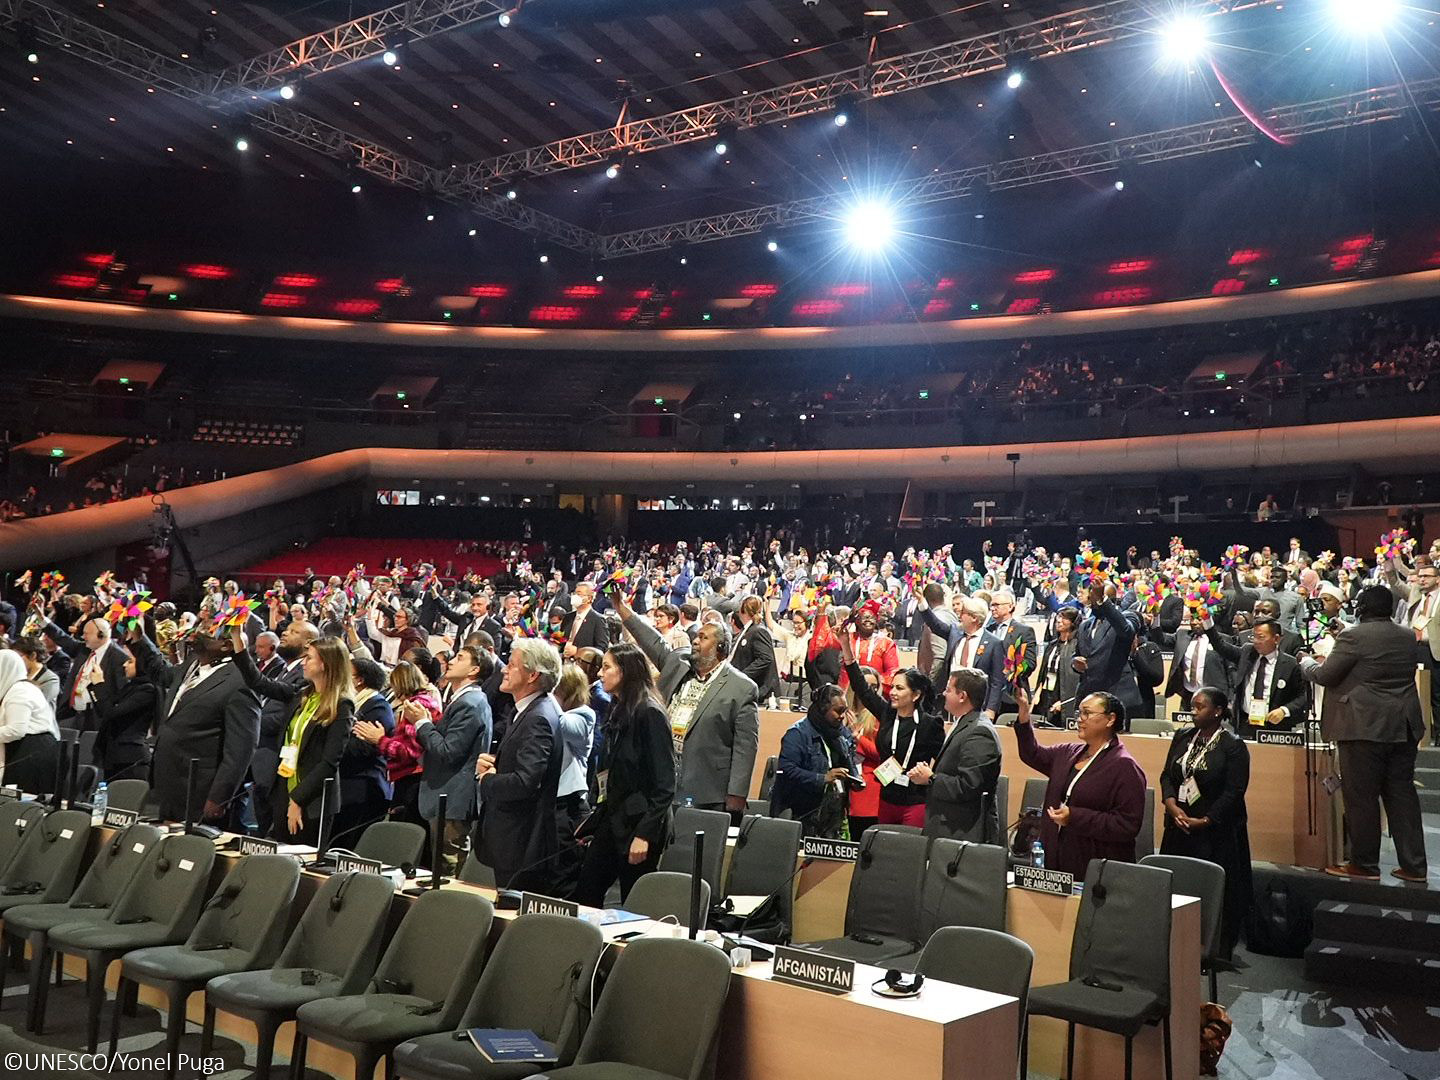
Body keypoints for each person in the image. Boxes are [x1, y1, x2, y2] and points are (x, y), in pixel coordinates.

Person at [1300, 585, 1428, 882]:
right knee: (1402, 795)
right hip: (1403, 726)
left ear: (1360, 608)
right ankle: (1415, 867)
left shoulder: (1353, 637)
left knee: (1362, 798)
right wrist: (1343, 631)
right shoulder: (1407, 634)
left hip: (1363, 728)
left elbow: (1325, 675)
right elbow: (1375, 649)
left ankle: (1365, 864)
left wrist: (1304, 661)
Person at [610, 591, 759, 816]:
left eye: (704, 637)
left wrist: (737, 793)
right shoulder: (678, 663)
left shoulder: (742, 688)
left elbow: (745, 747)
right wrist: (622, 608)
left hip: (707, 789)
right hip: (661, 778)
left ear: (721, 649)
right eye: (696, 636)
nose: (696, 641)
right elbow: (650, 639)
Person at [232, 627, 356, 844]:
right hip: (284, 787)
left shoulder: (342, 705)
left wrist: (297, 800)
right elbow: (258, 682)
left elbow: (329, 762)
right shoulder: (302, 694)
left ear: (325, 664)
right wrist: (237, 639)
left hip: (312, 798)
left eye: (309, 658)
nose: (304, 663)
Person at [129, 623, 261, 824]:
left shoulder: (241, 682)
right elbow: (162, 674)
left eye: (208, 632)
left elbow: (241, 749)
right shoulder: (193, 663)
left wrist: (219, 797)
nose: (198, 631)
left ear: (226, 645)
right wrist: (141, 638)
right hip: (170, 781)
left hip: (200, 789)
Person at [575, 642, 675, 906]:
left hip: (640, 824)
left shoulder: (650, 713)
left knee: (633, 903)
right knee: (587, 891)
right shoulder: (617, 707)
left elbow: (665, 784)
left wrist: (644, 835)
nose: (599, 673)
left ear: (626, 671)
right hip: (614, 818)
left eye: (607, 667)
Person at [1012, 688, 1147, 878]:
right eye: (1079, 713)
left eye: (1087, 713)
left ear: (1110, 719)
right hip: (1056, 862)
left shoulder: (1124, 766)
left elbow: (1127, 825)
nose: (1080, 718)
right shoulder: (1068, 752)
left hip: (1095, 869)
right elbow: (1032, 754)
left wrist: (1075, 817)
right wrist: (1024, 712)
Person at [1159, 687, 1252, 958]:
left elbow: (1235, 791)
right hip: (1179, 822)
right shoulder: (1183, 736)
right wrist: (1171, 804)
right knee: (1177, 882)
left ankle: (1212, 949)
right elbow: (1167, 775)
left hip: (1215, 830)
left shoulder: (1232, 745)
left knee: (1211, 890)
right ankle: (1171, 942)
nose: (1193, 711)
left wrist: (1206, 819)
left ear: (1218, 711)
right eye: (1192, 706)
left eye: (1199, 707)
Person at [476, 638, 564, 892]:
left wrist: (487, 780)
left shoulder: (538, 718)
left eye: (512, 665)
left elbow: (526, 782)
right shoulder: (527, 710)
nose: (504, 669)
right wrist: (495, 764)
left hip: (521, 842)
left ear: (532, 674)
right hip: (513, 839)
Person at [842, 633, 944, 827]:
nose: (893, 693)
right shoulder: (887, 714)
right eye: (893, 687)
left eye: (899, 688)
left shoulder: (930, 724)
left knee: (907, 850)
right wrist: (846, 647)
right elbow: (861, 688)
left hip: (915, 801)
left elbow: (943, 762)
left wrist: (930, 777)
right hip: (887, 798)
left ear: (915, 695)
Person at [415, 646, 493, 873]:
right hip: (446, 796)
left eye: (460, 658)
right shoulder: (464, 699)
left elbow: (448, 751)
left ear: (474, 670)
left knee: (448, 870)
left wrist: (422, 723)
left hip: (453, 798)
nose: (451, 661)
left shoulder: (470, 703)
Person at [907, 667, 1002, 842]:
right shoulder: (965, 723)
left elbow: (968, 786)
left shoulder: (980, 732)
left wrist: (931, 778)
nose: (943, 693)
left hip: (962, 832)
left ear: (962, 696)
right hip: (949, 827)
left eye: (948, 689)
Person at [769, 683, 859, 837]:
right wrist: (823, 778)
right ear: (823, 709)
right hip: (800, 815)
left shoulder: (842, 733)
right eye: (838, 711)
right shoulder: (797, 734)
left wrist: (855, 779)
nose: (842, 716)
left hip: (832, 815)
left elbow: (850, 761)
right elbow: (785, 770)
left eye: (844, 711)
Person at [355, 661, 436, 828]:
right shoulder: (421, 701)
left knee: (405, 828)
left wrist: (379, 740)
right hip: (408, 779)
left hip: (412, 780)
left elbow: (409, 752)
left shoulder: (416, 706)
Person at [1204, 617, 1307, 737]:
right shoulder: (1247, 653)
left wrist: (1284, 710)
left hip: (1276, 726)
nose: (1256, 641)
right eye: (1254, 637)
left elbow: (1303, 697)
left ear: (1276, 639)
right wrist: (1208, 624)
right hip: (1245, 723)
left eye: (1261, 637)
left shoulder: (1290, 664)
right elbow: (1221, 646)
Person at [41, 607, 128, 728]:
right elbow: (64, 639)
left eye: (86, 633)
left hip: (95, 720)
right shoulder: (85, 649)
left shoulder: (119, 658)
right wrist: (44, 621)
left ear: (101, 635)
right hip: (70, 714)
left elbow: (119, 693)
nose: (83, 636)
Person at [339, 657, 395, 841]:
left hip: (363, 788)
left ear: (359, 680)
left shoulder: (377, 706)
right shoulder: (349, 701)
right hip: (346, 785)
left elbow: (365, 747)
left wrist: (331, 744)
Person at [553, 663, 597, 899]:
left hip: (569, 807)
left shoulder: (584, 715)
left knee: (565, 872)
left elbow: (561, 725)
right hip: (549, 803)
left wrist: (540, 695)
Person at [85, 646, 156, 782]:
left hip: (130, 759)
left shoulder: (147, 690)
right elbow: (103, 711)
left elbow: (110, 712)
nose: (124, 665)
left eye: (130, 661)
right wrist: (96, 686)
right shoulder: (129, 687)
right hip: (113, 755)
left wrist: (100, 684)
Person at [0, 650, 61, 794]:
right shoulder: (14, 689)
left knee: (23, 805)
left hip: (32, 753)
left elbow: (16, 730)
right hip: (23, 750)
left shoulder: (20, 692)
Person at [847, 666, 883, 837]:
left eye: (874, 686)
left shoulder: (879, 716)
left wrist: (858, 737)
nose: (870, 690)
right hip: (843, 781)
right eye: (865, 685)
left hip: (868, 785)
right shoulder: (843, 711)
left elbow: (881, 753)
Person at [731, 596, 780, 706]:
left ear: (742, 610)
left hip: (757, 690)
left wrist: (742, 675)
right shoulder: (747, 631)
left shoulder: (758, 631)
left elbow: (765, 658)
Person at [767, 608, 811, 710]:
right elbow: (771, 625)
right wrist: (767, 604)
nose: (795, 626)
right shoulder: (789, 636)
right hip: (788, 680)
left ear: (806, 623)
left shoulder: (811, 638)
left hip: (804, 681)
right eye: (794, 622)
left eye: (798, 623)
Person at [13, 637, 60, 710]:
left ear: (33, 655)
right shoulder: (18, 672)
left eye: (19, 656)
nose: (15, 660)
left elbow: (37, 705)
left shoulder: (51, 680)